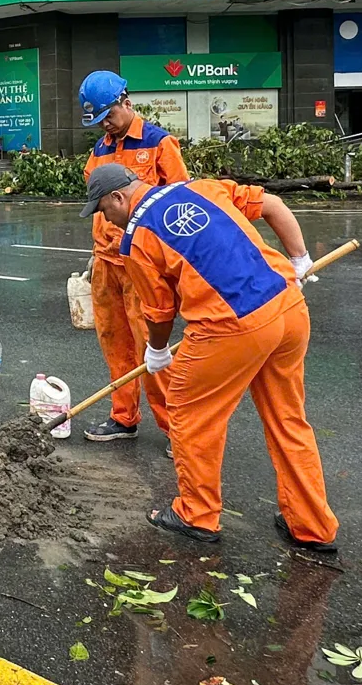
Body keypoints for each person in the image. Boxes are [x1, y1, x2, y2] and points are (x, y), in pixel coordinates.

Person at [82, 163, 337, 551]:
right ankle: (312, 526)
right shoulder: (201, 187)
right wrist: (299, 259)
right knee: (288, 420)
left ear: (119, 197)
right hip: (288, 307)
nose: (106, 220)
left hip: (233, 325)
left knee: (186, 409)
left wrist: (156, 350)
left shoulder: (136, 237)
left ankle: (196, 514)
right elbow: (272, 204)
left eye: (104, 210)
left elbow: (159, 312)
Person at [79, 70, 189, 447]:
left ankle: (177, 431)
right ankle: (123, 417)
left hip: (142, 263)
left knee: (152, 349)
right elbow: (97, 207)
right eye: (98, 120)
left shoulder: (159, 144)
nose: (104, 125)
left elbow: (180, 203)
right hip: (105, 262)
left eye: (108, 116)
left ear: (126, 102)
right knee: (114, 343)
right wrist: (95, 255)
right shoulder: (100, 150)